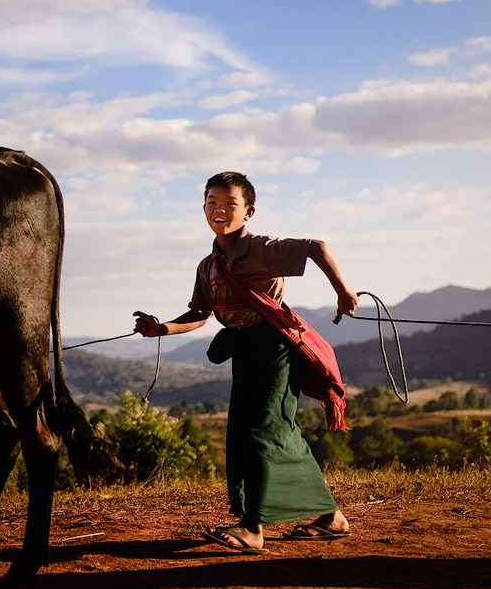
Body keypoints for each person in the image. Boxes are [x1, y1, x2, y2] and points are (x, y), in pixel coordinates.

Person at [132, 171, 358, 553]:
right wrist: (161, 329)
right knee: (248, 432)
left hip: (275, 347)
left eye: (229, 204)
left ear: (248, 211)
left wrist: (343, 291)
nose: (218, 210)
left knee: (262, 429)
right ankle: (330, 517)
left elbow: (317, 246)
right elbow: (200, 314)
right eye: (212, 202)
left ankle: (253, 528)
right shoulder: (208, 266)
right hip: (244, 351)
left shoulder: (262, 248)